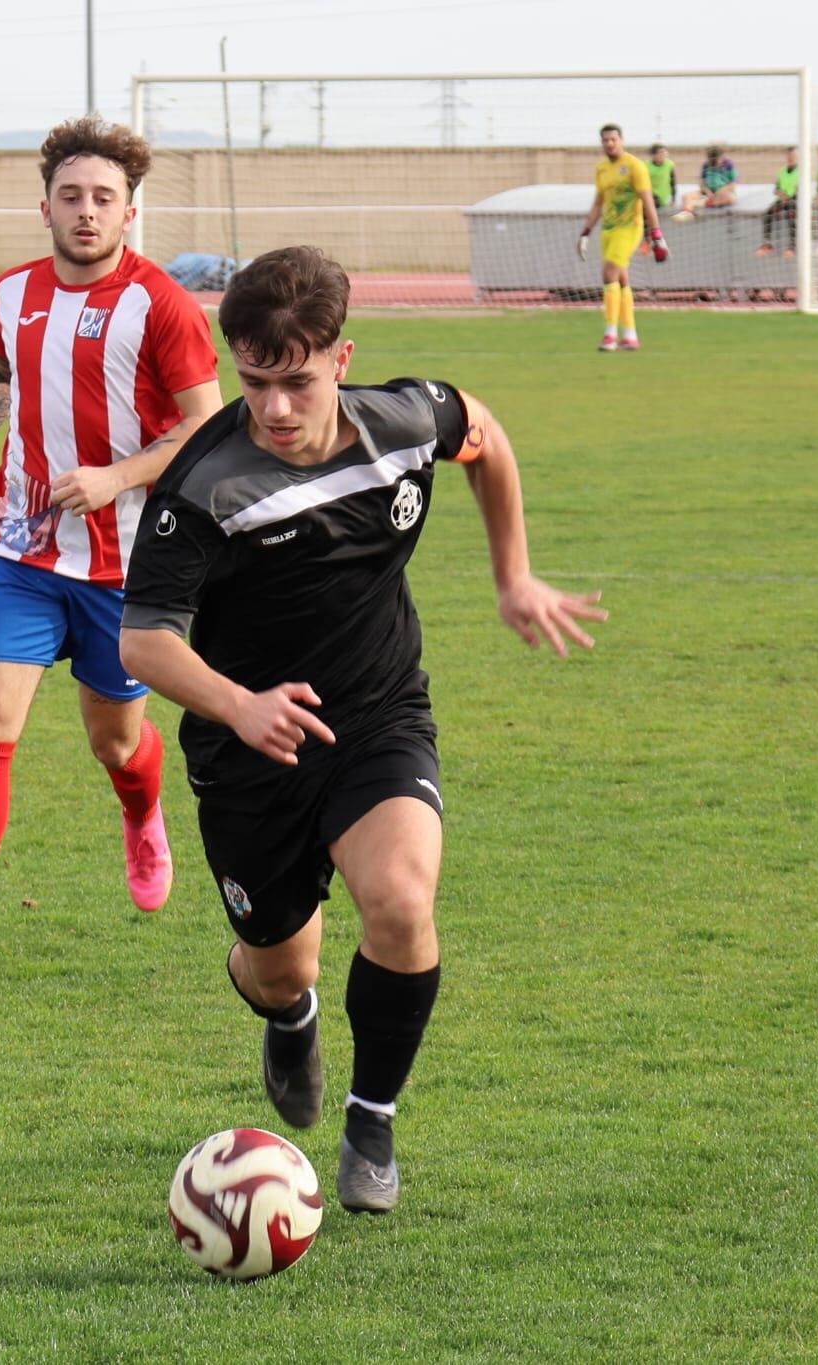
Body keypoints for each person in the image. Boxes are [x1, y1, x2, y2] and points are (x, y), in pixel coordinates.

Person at [118, 245, 607, 1212]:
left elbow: (486, 436)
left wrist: (514, 574)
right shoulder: (202, 486)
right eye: (254, 382)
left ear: (342, 359)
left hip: (377, 711)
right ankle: (287, 1013)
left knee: (399, 901)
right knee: (278, 965)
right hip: (247, 746)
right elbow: (143, 645)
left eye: (296, 381)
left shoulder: (401, 421)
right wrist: (239, 704)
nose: (274, 407)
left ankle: (371, 1119)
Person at [0, 117, 223, 989]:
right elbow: (2, 376)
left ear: (129, 211)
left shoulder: (163, 305)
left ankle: (141, 809)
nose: (86, 212)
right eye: (71, 196)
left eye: (103, 199)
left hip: (126, 565)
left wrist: (122, 476)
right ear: (44, 206)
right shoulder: (10, 292)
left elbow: (207, 424)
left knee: (116, 741)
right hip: (22, 546)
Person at [577, 123, 666, 353]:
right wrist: (586, 231)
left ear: (621, 140)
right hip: (609, 229)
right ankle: (630, 335)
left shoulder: (635, 166)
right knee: (622, 280)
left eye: (613, 139)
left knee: (608, 274)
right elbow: (599, 202)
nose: (609, 143)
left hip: (630, 228)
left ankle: (609, 334)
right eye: (605, 140)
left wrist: (656, 233)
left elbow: (647, 200)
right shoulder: (602, 168)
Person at [758, 147, 802, 258]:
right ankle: (767, 243)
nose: (790, 158)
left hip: (794, 201)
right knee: (768, 213)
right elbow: (776, 188)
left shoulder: (801, 171)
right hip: (782, 200)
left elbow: (800, 190)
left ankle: (793, 246)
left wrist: (788, 197)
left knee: (791, 213)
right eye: (789, 156)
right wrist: (782, 196)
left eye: (793, 156)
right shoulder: (783, 171)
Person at [645, 143, 679, 215]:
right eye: (660, 153)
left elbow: (673, 183)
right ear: (653, 155)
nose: (663, 156)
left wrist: (673, 199)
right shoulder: (646, 166)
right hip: (650, 195)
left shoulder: (669, 165)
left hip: (663, 197)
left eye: (665, 154)